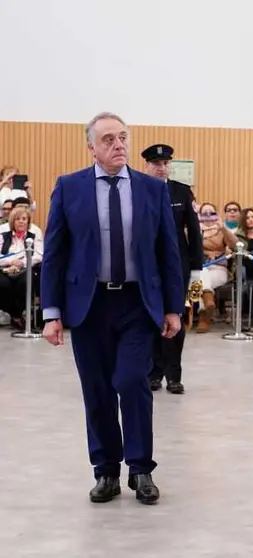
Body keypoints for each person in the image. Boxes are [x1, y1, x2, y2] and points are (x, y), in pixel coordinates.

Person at [40, 111, 185, 505]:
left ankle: (140, 469)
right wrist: (51, 312)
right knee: (97, 390)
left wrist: (174, 308)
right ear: (92, 147)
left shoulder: (151, 190)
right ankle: (106, 471)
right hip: (88, 305)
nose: (118, 144)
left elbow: (168, 253)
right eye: (108, 139)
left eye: (122, 137)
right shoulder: (69, 188)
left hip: (137, 303)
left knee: (131, 380)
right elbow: (54, 252)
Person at [141, 144, 202, 395]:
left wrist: (197, 269)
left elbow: (194, 233)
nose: (162, 168)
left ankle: (174, 376)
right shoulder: (139, 190)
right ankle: (153, 373)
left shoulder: (181, 192)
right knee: (152, 319)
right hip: (149, 266)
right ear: (147, 166)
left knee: (177, 320)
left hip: (179, 267)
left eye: (166, 163)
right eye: (157, 164)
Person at [195, 202, 238, 333]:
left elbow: (236, 245)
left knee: (200, 280)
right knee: (201, 274)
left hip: (219, 269)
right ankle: (207, 305)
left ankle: (204, 314)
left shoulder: (221, 230)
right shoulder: (194, 229)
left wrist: (223, 228)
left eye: (212, 213)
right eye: (204, 213)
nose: (208, 216)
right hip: (199, 268)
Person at [0, 206, 42, 330]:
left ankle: (16, 314)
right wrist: (11, 261)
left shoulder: (34, 234)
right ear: (12, 221)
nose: (21, 221)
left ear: (28, 221)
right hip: (5, 269)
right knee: (3, 285)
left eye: (24, 219)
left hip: (26, 269)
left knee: (25, 283)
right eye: (18, 219)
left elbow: (39, 255)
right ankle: (16, 315)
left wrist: (22, 263)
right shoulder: (3, 235)